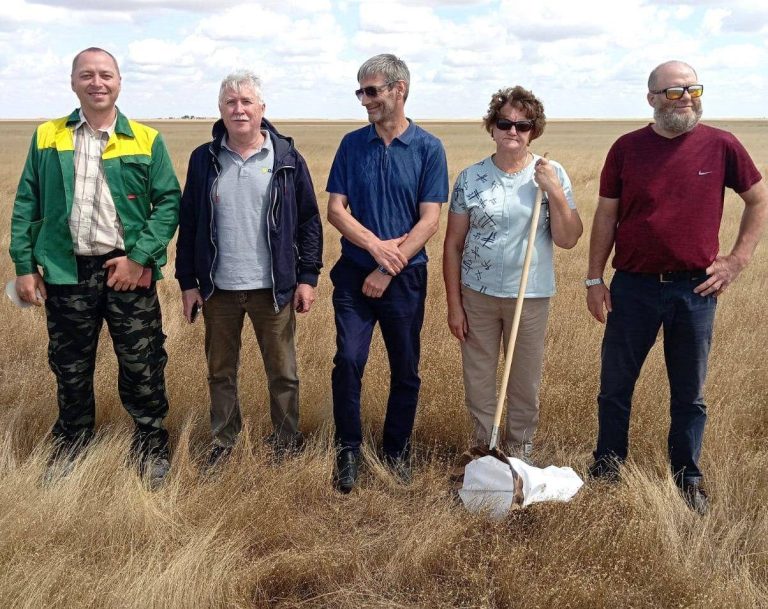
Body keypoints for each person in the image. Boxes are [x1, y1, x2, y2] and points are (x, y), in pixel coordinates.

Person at [586, 60, 767, 514]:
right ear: (651, 99)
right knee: (615, 386)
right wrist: (594, 278)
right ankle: (607, 469)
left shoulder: (721, 145)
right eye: (673, 91)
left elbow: (759, 199)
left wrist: (737, 261)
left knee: (689, 394)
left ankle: (686, 477)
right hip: (633, 288)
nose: (686, 97)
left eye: (692, 89)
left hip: (695, 292)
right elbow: (606, 215)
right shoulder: (626, 148)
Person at [9, 47, 181, 487]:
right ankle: (73, 441)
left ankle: (150, 441)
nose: (97, 82)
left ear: (119, 82)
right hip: (66, 272)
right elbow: (27, 199)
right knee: (69, 364)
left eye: (106, 74)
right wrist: (25, 266)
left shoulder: (145, 138)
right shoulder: (48, 136)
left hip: (128, 272)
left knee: (142, 362)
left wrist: (140, 257)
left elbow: (168, 203)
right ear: (73, 83)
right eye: (87, 75)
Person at [175, 70, 322, 467]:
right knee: (220, 372)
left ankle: (287, 444)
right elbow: (189, 224)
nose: (238, 109)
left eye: (246, 102)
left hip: (272, 288)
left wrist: (307, 278)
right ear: (220, 110)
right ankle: (225, 443)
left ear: (262, 109)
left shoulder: (287, 158)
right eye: (230, 102)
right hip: (217, 289)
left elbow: (308, 222)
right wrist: (188, 282)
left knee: (284, 374)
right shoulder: (204, 159)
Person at [326, 53, 449, 492]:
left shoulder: (429, 148)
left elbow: (429, 220)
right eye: (360, 91)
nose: (364, 100)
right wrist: (376, 248)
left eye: (372, 90)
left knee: (406, 369)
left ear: (400, 90)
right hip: (353, 276)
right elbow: (335, 210)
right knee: (348, 361)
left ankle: (397, 452)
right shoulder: (351, 144)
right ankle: (348, 451)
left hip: (405, 280)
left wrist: (387, 266)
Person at [443, 86, 582, 463]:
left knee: (523, 381)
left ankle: (520, 451)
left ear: (533, 131)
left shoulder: (552, 175)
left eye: (523, 125)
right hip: (478, 294)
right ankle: (484, 449)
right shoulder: (470, 179)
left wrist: (553, 190)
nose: (513, 131)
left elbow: (569, 238)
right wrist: (455, 305)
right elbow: (453, 244)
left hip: (530, 295)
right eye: (504, 122)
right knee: (479, 378)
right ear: (492, 126)